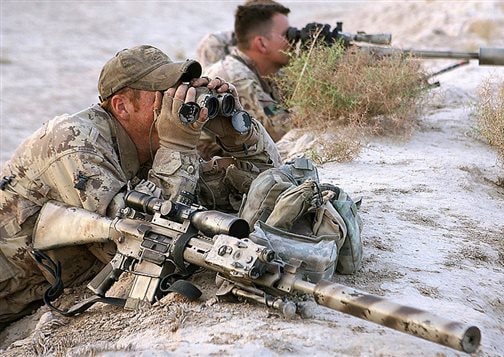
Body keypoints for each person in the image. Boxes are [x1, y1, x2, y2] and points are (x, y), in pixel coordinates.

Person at [0, 45, 278, 327]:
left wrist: (239, 135)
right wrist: (177, 146)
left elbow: (264, 186)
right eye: (163, 94)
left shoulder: (157, 142)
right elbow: (145, 241)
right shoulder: (73, 141)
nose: (177, 101)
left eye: (180, 89)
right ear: (122, 106)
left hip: (39, 294)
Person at [198, 0, 293, 142]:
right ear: (261, 43)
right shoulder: (236, 76)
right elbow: (276, 133)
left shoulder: (266, 72)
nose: (291, 42)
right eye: (287, 35)